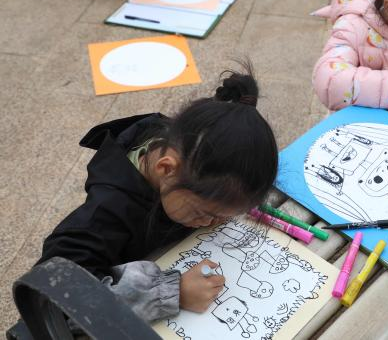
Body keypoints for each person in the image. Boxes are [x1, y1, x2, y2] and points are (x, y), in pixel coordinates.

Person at [36, 65, 279, 321]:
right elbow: (51, 294)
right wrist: (172, 293)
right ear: (166, 169)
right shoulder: (106, 213)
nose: (209, 223)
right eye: (202, 213)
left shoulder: (186, 147)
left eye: (220, 216)